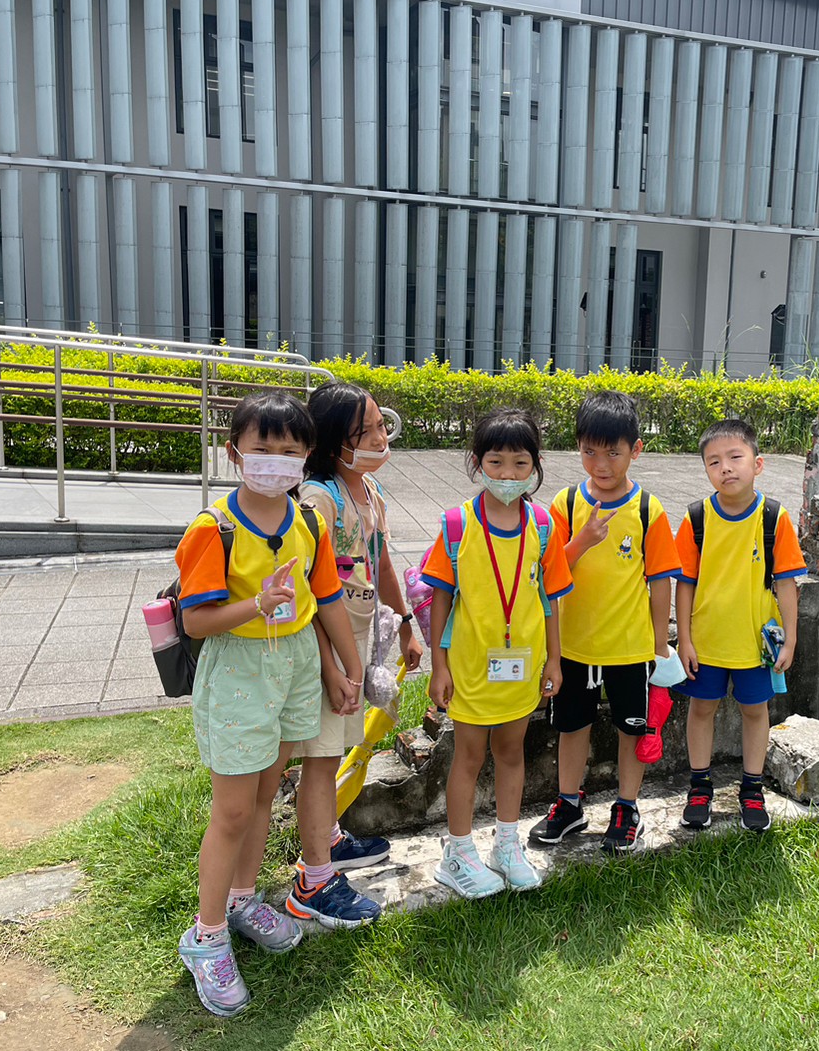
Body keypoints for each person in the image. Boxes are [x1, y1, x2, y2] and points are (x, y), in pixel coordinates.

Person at [173, 390, 364, 1017]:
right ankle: (206, 938)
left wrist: (349, 667)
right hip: (240, 672)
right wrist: (256, 604)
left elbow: (326, 597)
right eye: (263, 448)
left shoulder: (308, 520)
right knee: (232, 810)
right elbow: (197, 621)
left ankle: (242, 900)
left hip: (296, 667)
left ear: (306, 456)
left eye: (289, 450)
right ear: (235, 453)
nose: (276, 461)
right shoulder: (214, 529)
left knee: (262, 795)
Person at [287, 382, 424, 928]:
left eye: (379, 426)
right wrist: (330, 667)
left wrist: (407, 625)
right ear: (331, 442)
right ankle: (314, 881)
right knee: (321, 760)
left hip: (355, 642)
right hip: (324, 648)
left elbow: (382, 562)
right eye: (363, 432)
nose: (378, 438)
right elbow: (306, 593)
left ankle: (329, 839)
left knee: (335, 747)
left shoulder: (369, 491)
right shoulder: (318, 499)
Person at [419, 409, 571, 898]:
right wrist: (438, 665)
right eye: (496, 462)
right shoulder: (458, 524)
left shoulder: (543, 525)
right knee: (467, 756)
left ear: (536, 466)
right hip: (469, 667)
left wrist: (554, 659)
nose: (508, 474)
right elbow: (441, 598)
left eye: (520, 463)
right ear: (477, 462)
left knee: (511, 752)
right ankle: (458, 854)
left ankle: (507, 845)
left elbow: (550, 599)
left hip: (523, 665)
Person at [529, 390, 681, 853]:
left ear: (636, 450)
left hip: (630, 647)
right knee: (571, 726)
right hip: (573, 645)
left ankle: (627, 807)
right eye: (589, 451)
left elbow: (660, 581)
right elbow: (548, 572)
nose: (601, 464)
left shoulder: (648, 509)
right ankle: (568, 804)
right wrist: (581, 541)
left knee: (632, 730)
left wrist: (660, 644)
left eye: (613, 452)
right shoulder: (565, 503)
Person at [674, 418, 806, 832]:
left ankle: (751, 788)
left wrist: (791, 640)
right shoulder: (696, 518)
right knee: (701, 709)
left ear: (757, 463)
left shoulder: (774, 518)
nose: (725, 468)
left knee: (755, 711)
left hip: (755, 644)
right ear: (705, 469)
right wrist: (684, 639)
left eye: (735, 457)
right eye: (714, 461)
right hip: (706, 641)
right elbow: (685, 584)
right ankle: (700, 787)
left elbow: (786, 584)